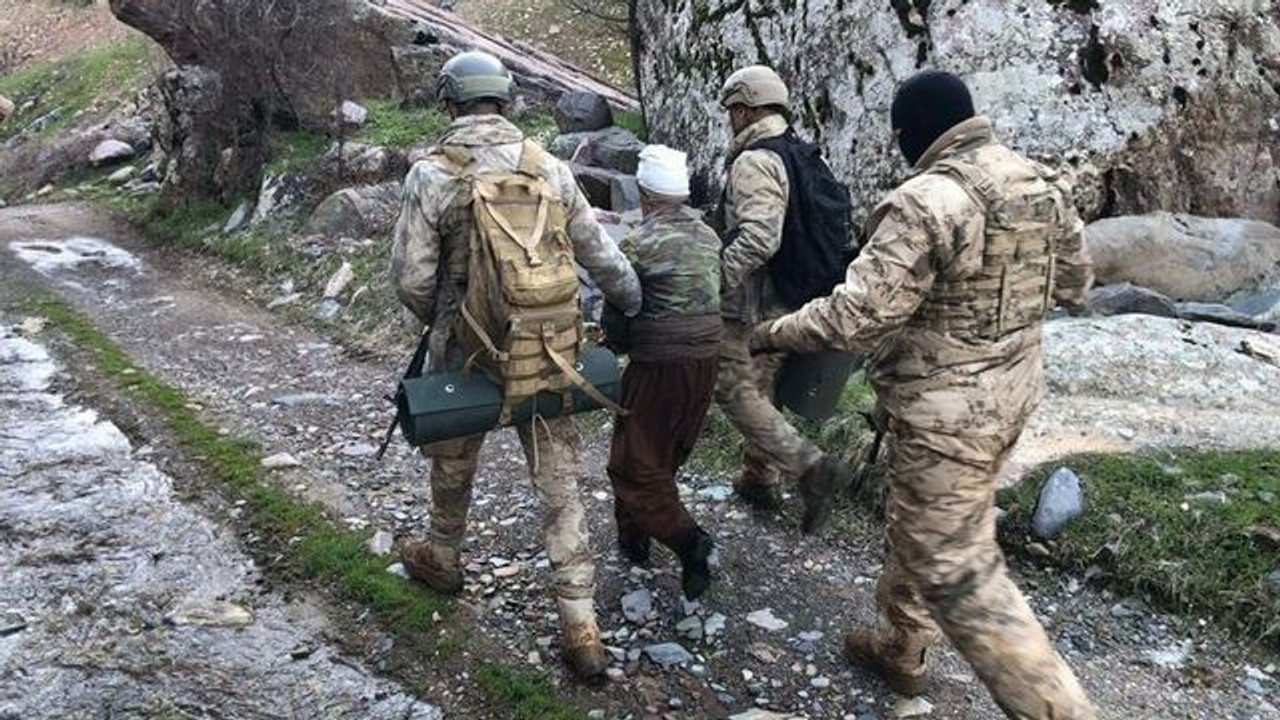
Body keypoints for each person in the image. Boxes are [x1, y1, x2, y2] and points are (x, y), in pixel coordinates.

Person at [750, 70, 1097, 718]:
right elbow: (1078, 283)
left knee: (956, 570)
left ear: (912, 135)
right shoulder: (1040, 181)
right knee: (926, 517)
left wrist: (770, 332)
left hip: (947, 418)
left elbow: (857, 317)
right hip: (1013, 393)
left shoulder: (928, 200)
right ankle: (900, 647)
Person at [390, 50, 642, 680]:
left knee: (454, 461)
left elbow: (411, 278)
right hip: (550, 344)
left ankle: (444, 558)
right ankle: (580, 623)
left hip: (467, 346)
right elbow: (600, 255)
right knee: (558, 477)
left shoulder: (432, 174)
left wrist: (447, 320)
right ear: (505, 99)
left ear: (449, 102)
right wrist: (635, 304)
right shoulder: (549, 166)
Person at [715, 65, 850, 529]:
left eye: (733, 109)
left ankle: (810, 466)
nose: (731, 118)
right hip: (797, 294)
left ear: (747, 107)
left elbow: (758, 238)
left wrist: (716, 280)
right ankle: (759, 477)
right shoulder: (803, 153)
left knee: (734, 389)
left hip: (757, 299)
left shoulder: (755, 160)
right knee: (763, 384)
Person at [604, 145, 721, 601]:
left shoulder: (638, 242)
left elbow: (621, 310)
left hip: (660, 363)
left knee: (632, 465)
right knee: (661, 453)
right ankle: (633, 538)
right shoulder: (710, 237)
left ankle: (691, 543)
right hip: (706, 361)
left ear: (646, 194)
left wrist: (614, 345)